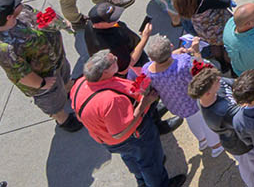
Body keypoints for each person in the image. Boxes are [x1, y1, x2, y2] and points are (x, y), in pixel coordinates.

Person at [70, 49, 183, 187]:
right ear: (104, 72)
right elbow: (121, 132)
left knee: (131, 158)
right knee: (150, 161)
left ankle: (142, 180)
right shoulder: (110, 100)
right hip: (133, 137)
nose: (116, 58)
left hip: (107, 139)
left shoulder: (80, 83)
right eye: (113, 61)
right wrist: (145, 103)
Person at [0, 0, 82, 132]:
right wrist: (42, 83)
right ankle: (63, 119)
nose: (21, 3)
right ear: (9, 17)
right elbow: (22, 75)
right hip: (44, 77)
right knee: (52, 101)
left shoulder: (23, 12)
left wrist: (58, 22)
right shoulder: (4, 48)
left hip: (57, 60)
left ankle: (67, 88)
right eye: (17, 4)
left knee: (64, 75)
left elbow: (41, 18)